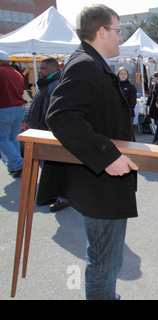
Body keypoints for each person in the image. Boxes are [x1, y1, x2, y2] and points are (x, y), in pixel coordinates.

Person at [46, 4, 139, 300]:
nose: (120, 38)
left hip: (101, 183)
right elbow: (61, 116)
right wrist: (107, 156)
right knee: (104, 261)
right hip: (100, 184)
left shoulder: (90, 61)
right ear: (101, 31)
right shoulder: (85, 63)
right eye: (117, 31)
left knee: (105, 259)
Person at [26, 57, 70, 212]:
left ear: (53, 69)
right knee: (49, 168)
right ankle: (53, 194)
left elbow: (54, 112)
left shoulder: (55, 85)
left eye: (43, 68)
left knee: (58, 168)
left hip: (50, 134)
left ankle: (63, 197)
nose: (40, 71)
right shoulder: (48, 84)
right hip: (42, 133)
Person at [0, 50, 25, 178]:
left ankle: (18, 163)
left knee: (2, 139)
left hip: (4, 108)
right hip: (18, 108)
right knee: (13, 138)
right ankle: (14, 166)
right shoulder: (16, 73)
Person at [146, 72, 158, 143]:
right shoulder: (153, 85)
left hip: (157, 106)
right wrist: (147, 103)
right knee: (156, 122)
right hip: (153, 105)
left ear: (157, 77)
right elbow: (150, 95)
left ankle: (157, 136)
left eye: (154, 78)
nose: (153, 79)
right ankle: (157, 135)